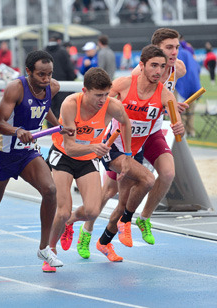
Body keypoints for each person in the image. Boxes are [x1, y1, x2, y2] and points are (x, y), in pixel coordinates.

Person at [73, 28, 188, 259]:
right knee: (111, 191)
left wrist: (175, 113)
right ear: (147, 61)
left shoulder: (177, 71)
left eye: (176, 48)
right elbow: (106, 103)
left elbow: (173, 111)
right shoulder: (134, 77)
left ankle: (142, 218)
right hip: (122, 138)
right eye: (169, 48)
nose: (174, 53)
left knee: (165, 174)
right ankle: (86, 230)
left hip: (151, 132)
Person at [0, 50, 75, 277]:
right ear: (28, 72)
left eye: (49, 74)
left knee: (50, 190)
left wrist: (59, 125)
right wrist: (18, 131)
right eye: (41, 75)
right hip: (4, 152)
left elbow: (45, 111)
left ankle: (44, 248)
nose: (46, 79)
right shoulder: (16, 88)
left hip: (28, 153)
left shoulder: (52, 87)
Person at [41, 67, 132, 272]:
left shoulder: (112, 106)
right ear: (85, 90)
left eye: (106, 94)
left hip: (88, 159)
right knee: (62, 210)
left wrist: (127, 155)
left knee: (92, 211)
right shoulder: (70, 104)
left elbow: (126, 123)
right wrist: (93, 146)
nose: (103, 99)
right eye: (98, 95)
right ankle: (50, 252)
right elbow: (71, 147)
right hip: (64, 155)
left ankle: (69, 222)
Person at [44, 34, 77, 128]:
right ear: (59, 41)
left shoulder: (43, 52)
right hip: (62, 86)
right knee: (61, 110)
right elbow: (69, 69)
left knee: (48, 109)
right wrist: (72, 79)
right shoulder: (63, 52)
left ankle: (50, 131)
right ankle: (60, 132)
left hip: (46, 85)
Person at [176, 48, 201, 137]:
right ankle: (191, 131)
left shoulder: (176, 55)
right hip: (193, 86)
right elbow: (198, 69)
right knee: (190, 110)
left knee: (179, 110)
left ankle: (183, 133)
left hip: (179, 87)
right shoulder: (188, 54)